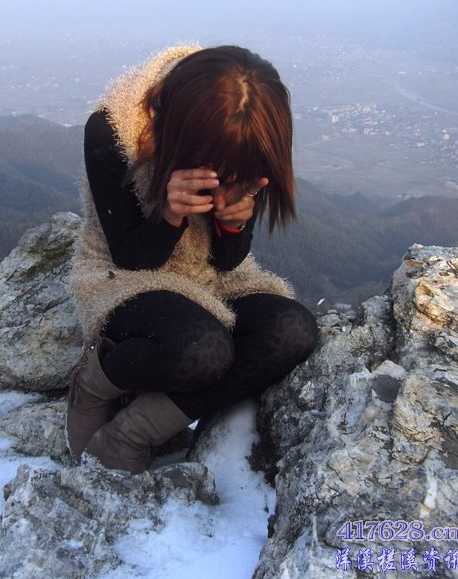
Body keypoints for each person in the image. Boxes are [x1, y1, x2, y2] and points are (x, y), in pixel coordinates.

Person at [67, 44, 318, 473]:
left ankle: (134, 431)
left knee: (293, 330)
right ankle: (95, 382)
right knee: (203, 350)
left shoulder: (240, 136)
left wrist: (232, 225)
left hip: (210, 279)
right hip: (123, 277)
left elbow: (227, 263)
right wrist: (169, 215)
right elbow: (128, 257)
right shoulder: (113, 129)